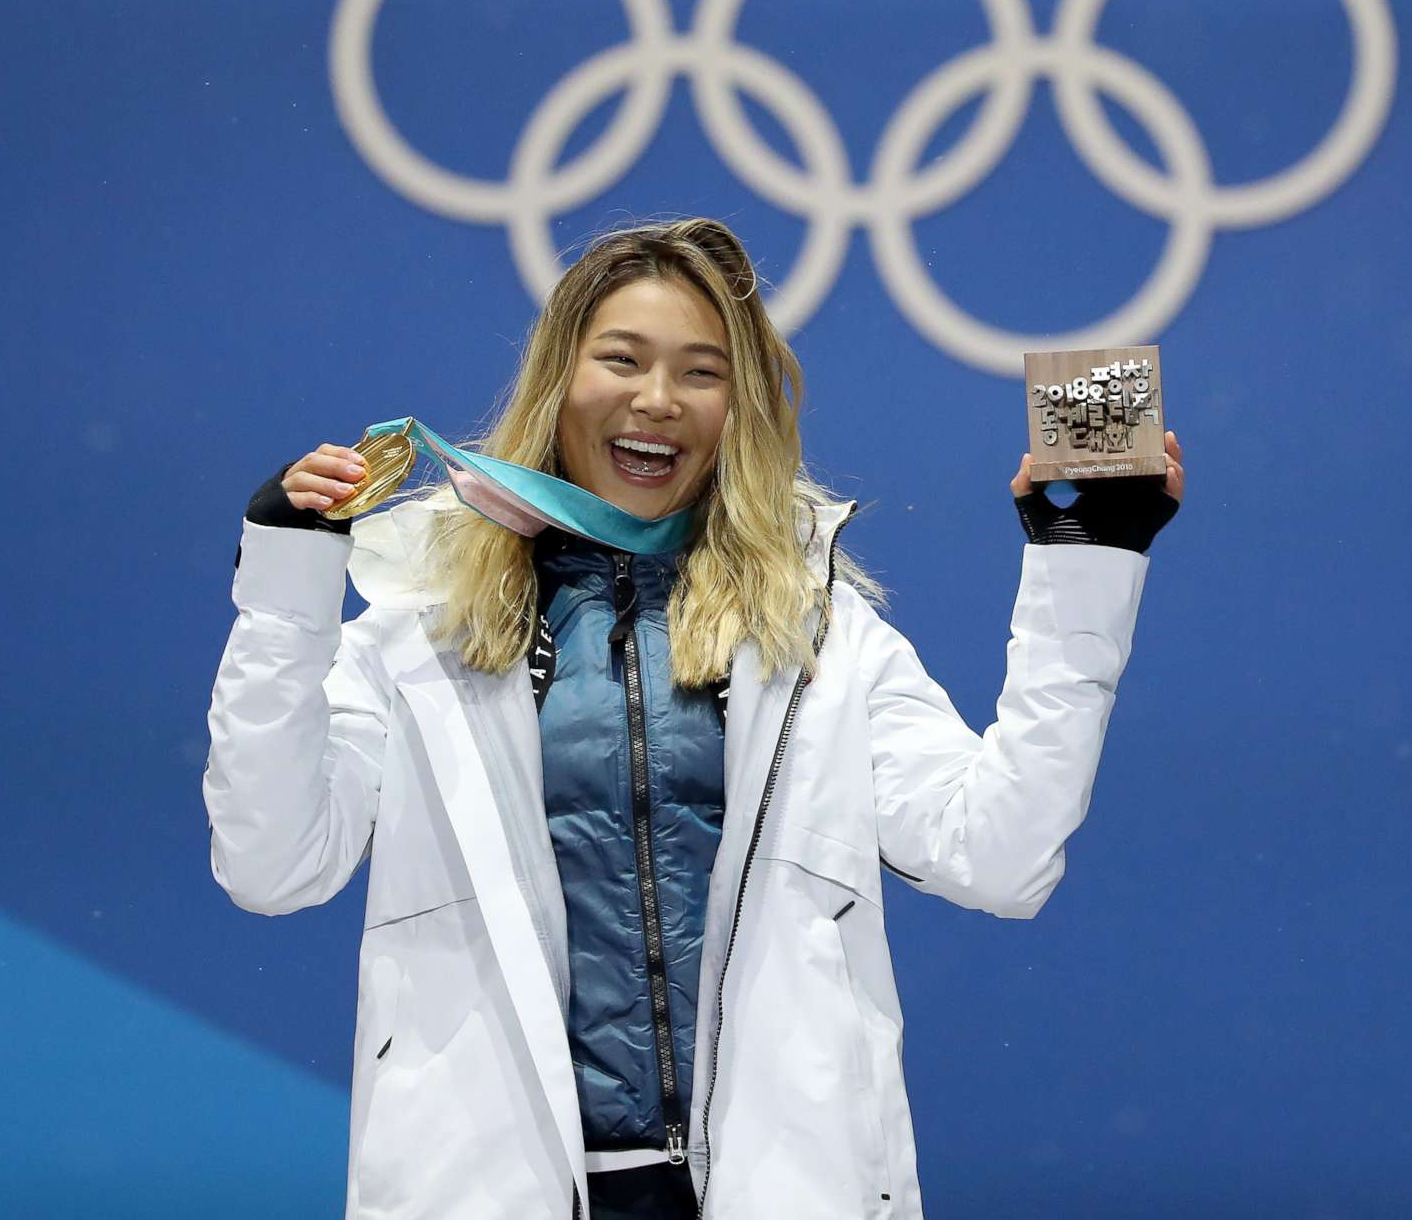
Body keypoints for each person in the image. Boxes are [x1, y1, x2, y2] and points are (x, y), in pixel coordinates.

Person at [205, 217, 1184, 1219]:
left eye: (702, 373)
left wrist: (1086, 562)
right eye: (621, 360)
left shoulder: (818, 637)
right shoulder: (424, 636)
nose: (658, 401)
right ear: (558, 380)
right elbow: (272, 864)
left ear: (739, 409)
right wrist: (285, 593)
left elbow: (1000, 855)